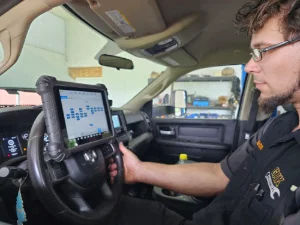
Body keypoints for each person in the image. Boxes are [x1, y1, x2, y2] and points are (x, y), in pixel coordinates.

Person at [108, 0, 300, 224]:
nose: (249, 66)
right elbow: (218, 176)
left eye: (261, 51)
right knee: (115, 210)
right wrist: (139, 171)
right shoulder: (280, 126)